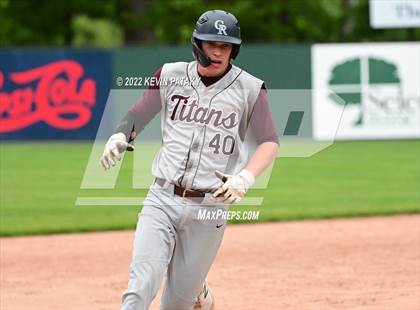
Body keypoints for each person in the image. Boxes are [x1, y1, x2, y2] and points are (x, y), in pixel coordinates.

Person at [100, 9, 279, 310]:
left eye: (225, 46)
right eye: (212, 44)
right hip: (162, 198)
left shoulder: (249, 88)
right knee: (140, 288)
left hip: (209, 210)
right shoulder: (170, 75)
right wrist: (120, 135)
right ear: (198, 45)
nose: (219, 51)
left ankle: (197, 291)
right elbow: (139, 114)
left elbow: (269, 142)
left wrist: (244, 178)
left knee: (176, 304)